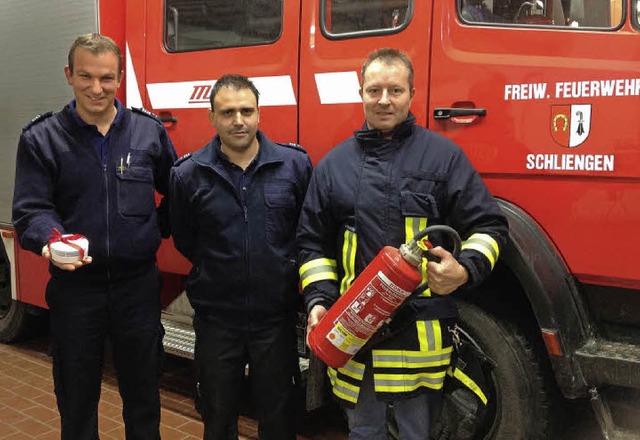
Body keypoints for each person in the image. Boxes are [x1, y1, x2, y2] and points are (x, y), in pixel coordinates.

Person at [298, 48, 509, 439]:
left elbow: (490, 227)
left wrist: (464, 270)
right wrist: (319, 301)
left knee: (417, 433)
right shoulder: (333, 167)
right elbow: (312, 245)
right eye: (374, 90)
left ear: (412, 94)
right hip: (355, 333)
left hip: (419, 339)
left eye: (395, 90)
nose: (384, 100)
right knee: (363, 430)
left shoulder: (444, 159)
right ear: (360, 93)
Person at [12, 33, 177, 439]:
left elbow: (177, 192)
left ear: (119, 78)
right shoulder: (42, 138)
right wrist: (52, 240)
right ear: (69, 75)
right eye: (85, 76)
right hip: (75, 289)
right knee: (76, 396)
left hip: (137, 287)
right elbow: (30, 208)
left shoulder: (148, 132)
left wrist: (152, 231)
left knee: (143, 396)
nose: (96, 88)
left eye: (106, 78)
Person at [169, 74, 313, 440]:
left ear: (259, 114)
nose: (238, 120)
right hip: (217, 321)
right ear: (211, 117)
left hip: (275, 321)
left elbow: (305, 231)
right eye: (228, 112)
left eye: (246, 111)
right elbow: (186, 239)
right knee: (217, 419)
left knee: (280, 420)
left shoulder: (294, 166)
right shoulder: (188, 174)